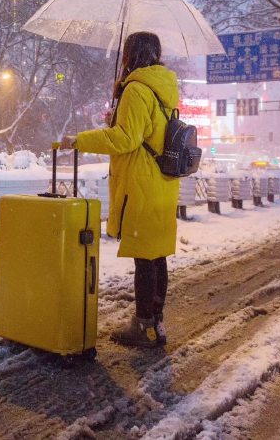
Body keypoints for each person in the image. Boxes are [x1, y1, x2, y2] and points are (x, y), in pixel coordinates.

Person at [61, 31, 180, 348]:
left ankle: (143, 326)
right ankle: (156, 324)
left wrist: (80, 140)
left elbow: (125, 139)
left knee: (145, 259)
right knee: (156, 257)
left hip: (142, 184)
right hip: (163, 184)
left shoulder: (137, 89)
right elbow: (144, 132)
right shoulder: (164, 88)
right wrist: (117, 120)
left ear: (129, 55)